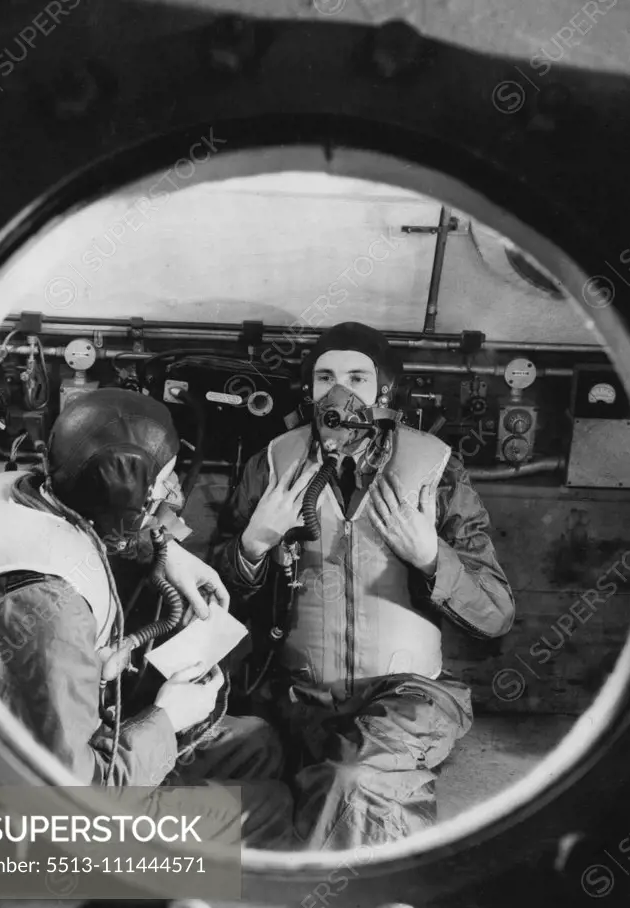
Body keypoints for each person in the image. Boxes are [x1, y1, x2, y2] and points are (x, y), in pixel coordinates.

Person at [0, 388, 292, 848]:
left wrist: (165, 551)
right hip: (35, 822)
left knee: (255, 742)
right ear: (130, 495)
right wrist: (168, 717)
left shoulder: (15, 491)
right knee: (270, 804)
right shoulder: (50, 613)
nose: (175, 493)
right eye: (163, 481)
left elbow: (83, 520)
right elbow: (75, 800)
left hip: (41, 753)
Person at [214, 322, 515, 849]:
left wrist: (430, 557)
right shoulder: (274, 464)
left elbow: (495, 614)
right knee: (273, 792)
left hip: (406, 697)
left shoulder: (434, 470)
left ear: (385, 391)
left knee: (352, 783)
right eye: (325, 376)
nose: (340, 391)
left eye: (357, 376)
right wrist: (253, 545)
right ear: (308, 391)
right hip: (297, 696)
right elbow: (214, 597)